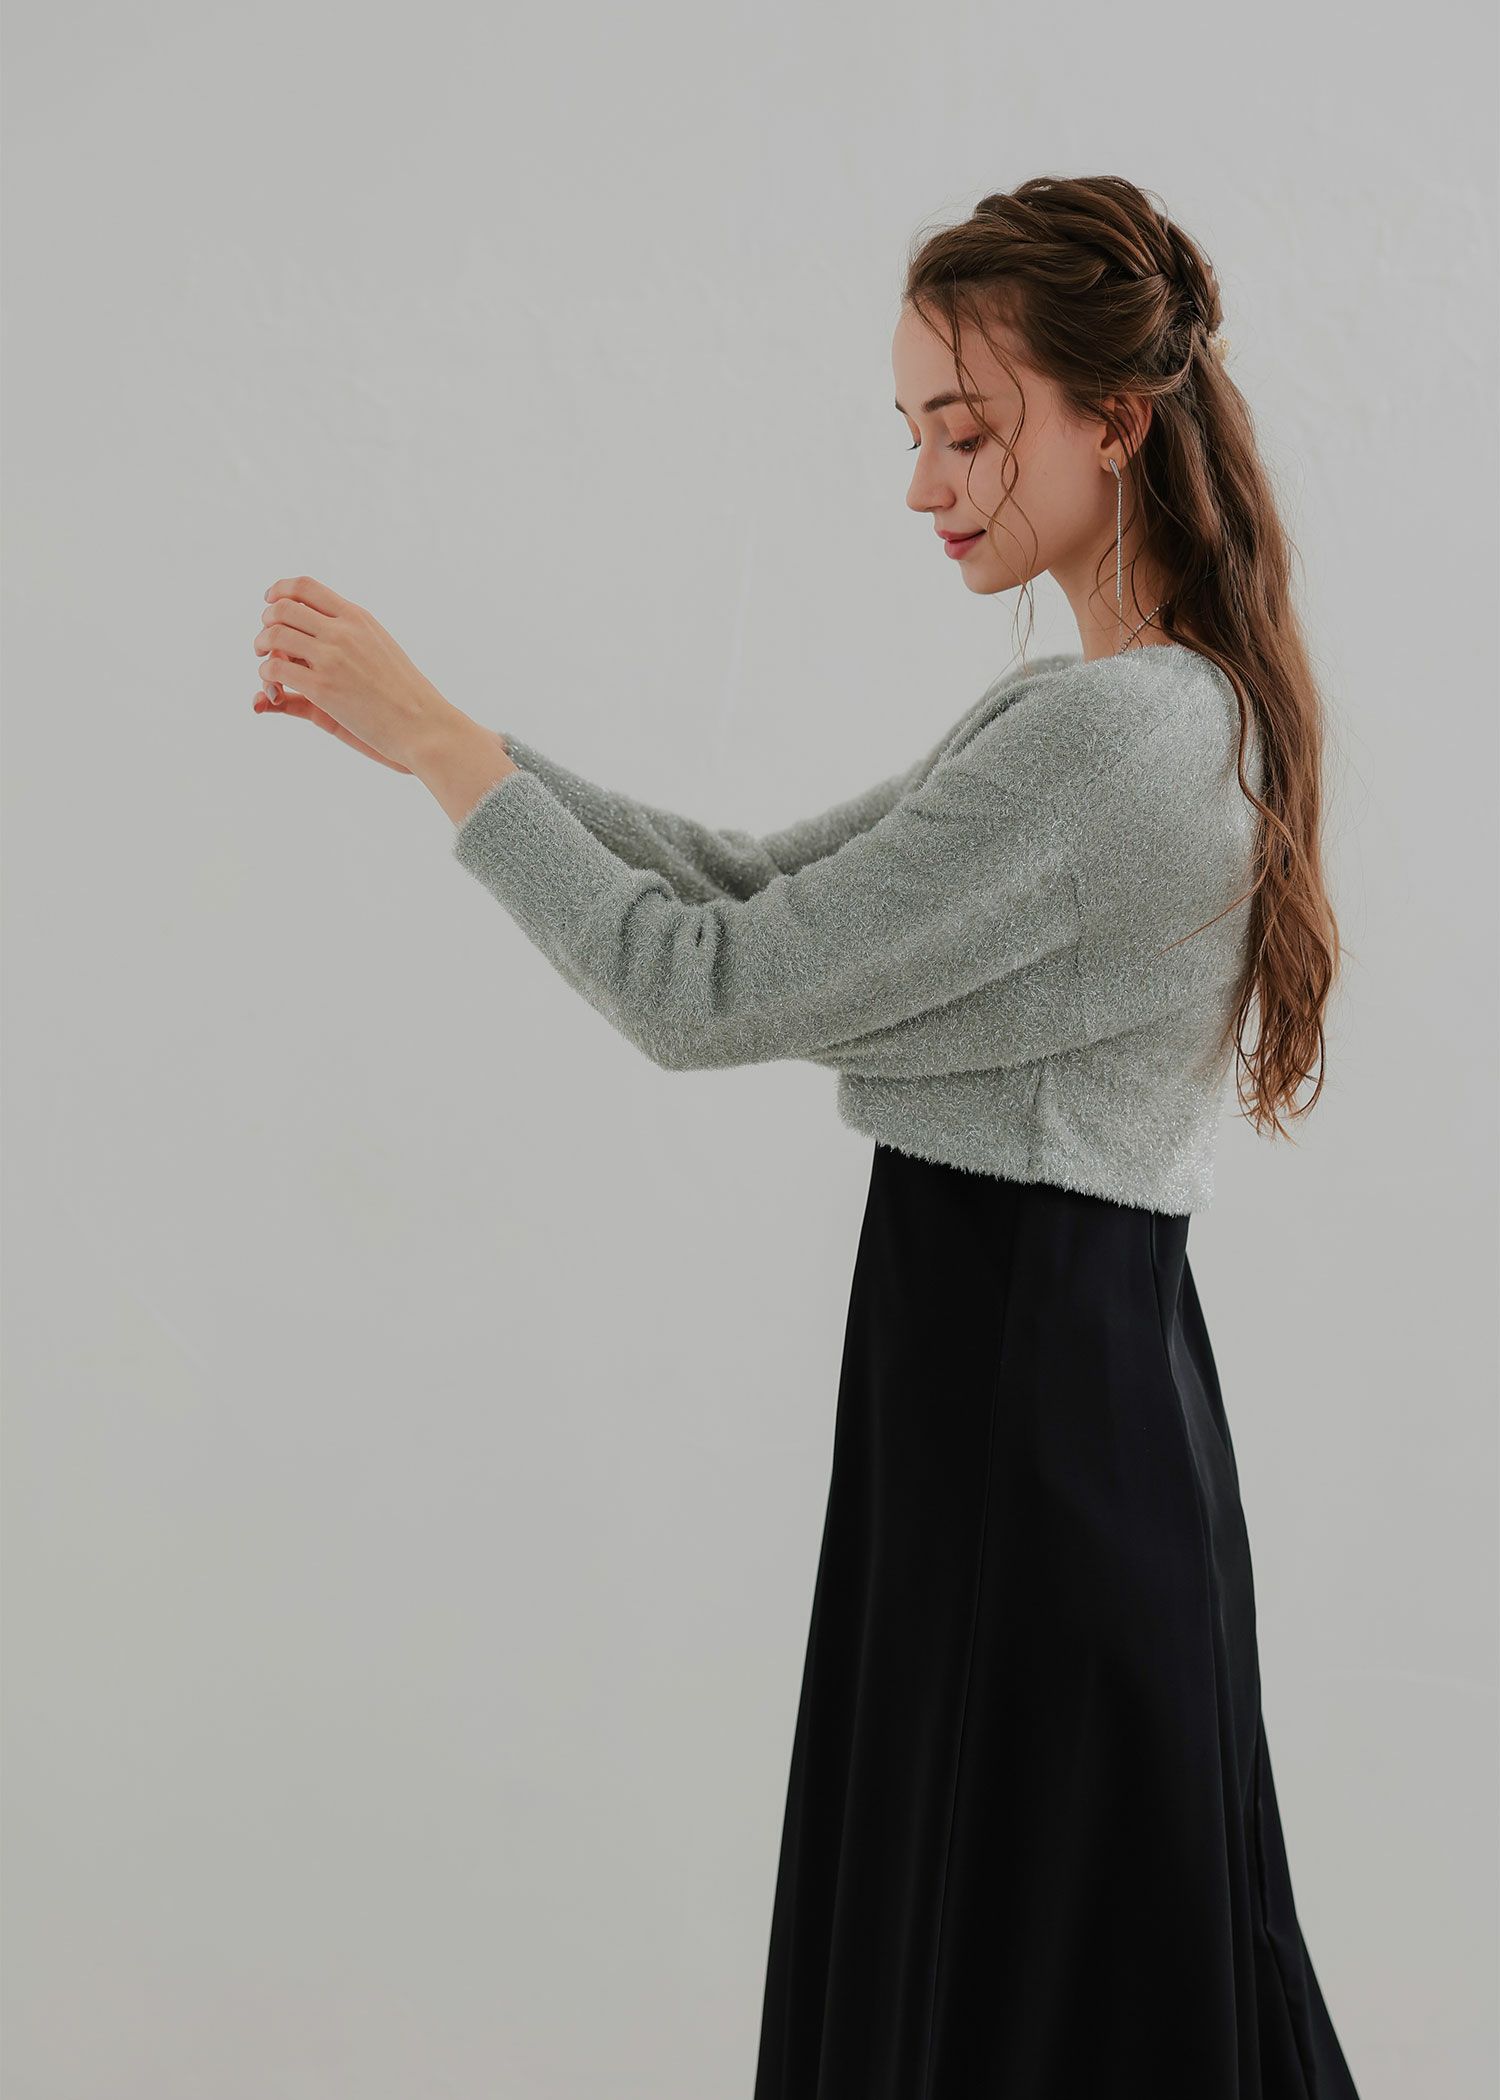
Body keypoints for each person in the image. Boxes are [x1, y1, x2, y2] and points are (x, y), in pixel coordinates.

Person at [250, 174, 1361, 2097]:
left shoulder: (1103, 742)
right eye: (914, 433)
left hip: (1017, 1420)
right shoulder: (1156, 713)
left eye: (969, 431)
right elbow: (757, 883)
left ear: (1117, 421)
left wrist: (442, 755)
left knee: (1003, 1996)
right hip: (1074, 1402)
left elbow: (703, 986)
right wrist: (450, 735)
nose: (927, 485)